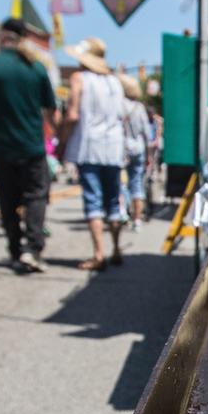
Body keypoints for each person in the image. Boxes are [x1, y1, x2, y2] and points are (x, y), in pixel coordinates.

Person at [0, 18, 59, 273]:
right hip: (32, 145)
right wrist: (60, 139)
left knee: (8, 200)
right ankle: (33, 249)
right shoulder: (36, 67)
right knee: (35, 198)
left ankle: (14, 249)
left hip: (1, 147)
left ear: (2, 36)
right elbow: (50, 110)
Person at [60, 36, 140, 271]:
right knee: (113, 201)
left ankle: (99, 253)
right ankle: (116, 249)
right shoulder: (115, 83)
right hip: (113, 147)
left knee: (93, 200)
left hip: (89, 146)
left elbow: (73, 114)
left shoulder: (79, 79)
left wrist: (62, 138)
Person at [121, 90, 151, 231]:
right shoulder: (139, 107)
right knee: (137, 183)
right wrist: (149, 154)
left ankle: (123, 213)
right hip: (138, 149)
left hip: (122, 149)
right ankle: (137, 220)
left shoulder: (119, 105)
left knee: (122, 183)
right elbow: (147, 133)